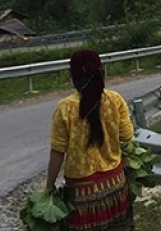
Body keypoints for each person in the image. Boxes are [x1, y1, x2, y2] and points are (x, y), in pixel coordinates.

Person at [47, 49, 135, 231]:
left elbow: (57, 151)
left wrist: (49, 188)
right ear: (101, 72)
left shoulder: (65, 108)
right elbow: (127, 136)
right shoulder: (115, 100)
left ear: (73, 76)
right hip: (115, 187)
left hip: (81, 194)